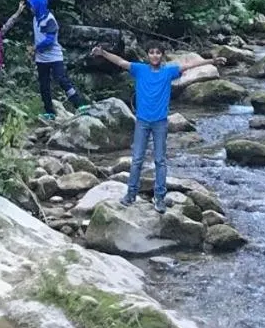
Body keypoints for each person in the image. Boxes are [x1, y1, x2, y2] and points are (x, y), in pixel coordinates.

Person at [92, 42, 223, 212]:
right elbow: (120, 62)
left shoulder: (168, 72)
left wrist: (211, 61)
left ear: (162, 55)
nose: (155, 55)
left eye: (158, 53)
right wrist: (103, 53)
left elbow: (189, 65)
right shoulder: (140, 69)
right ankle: (131, 194)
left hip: (160, 122)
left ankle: (159, 197)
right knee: (137, 159)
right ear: (148, 55)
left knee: (160, 161)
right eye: (152, 52)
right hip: (142, 122)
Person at [26, 0, 90, 121]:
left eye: (32, 5)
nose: (30, 8)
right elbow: (37, 37)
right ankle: (49, 111)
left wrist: (36, 48)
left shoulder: (50, 20)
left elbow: (49, 40)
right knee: (43, 84)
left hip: (54, 57)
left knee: (61, 79)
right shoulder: (35, 18)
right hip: (41, 58)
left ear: (39, 5)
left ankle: (79, 104)